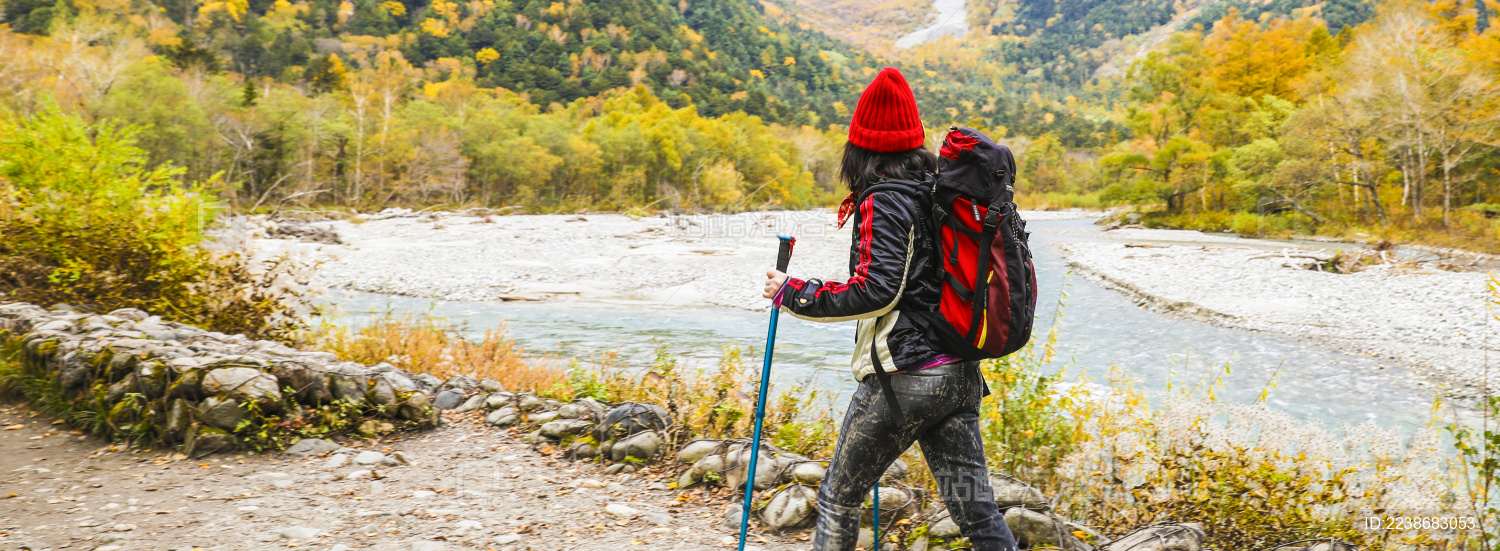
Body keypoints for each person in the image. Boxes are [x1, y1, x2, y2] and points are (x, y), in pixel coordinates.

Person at [762, 67, 1018, 551]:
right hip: (957, 372)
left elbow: (879, 290)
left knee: (839, 497)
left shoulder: (884, 199)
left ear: (859, 145)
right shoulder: (936, 190)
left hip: (904, 379)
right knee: (976, 510)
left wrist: (793, 292)